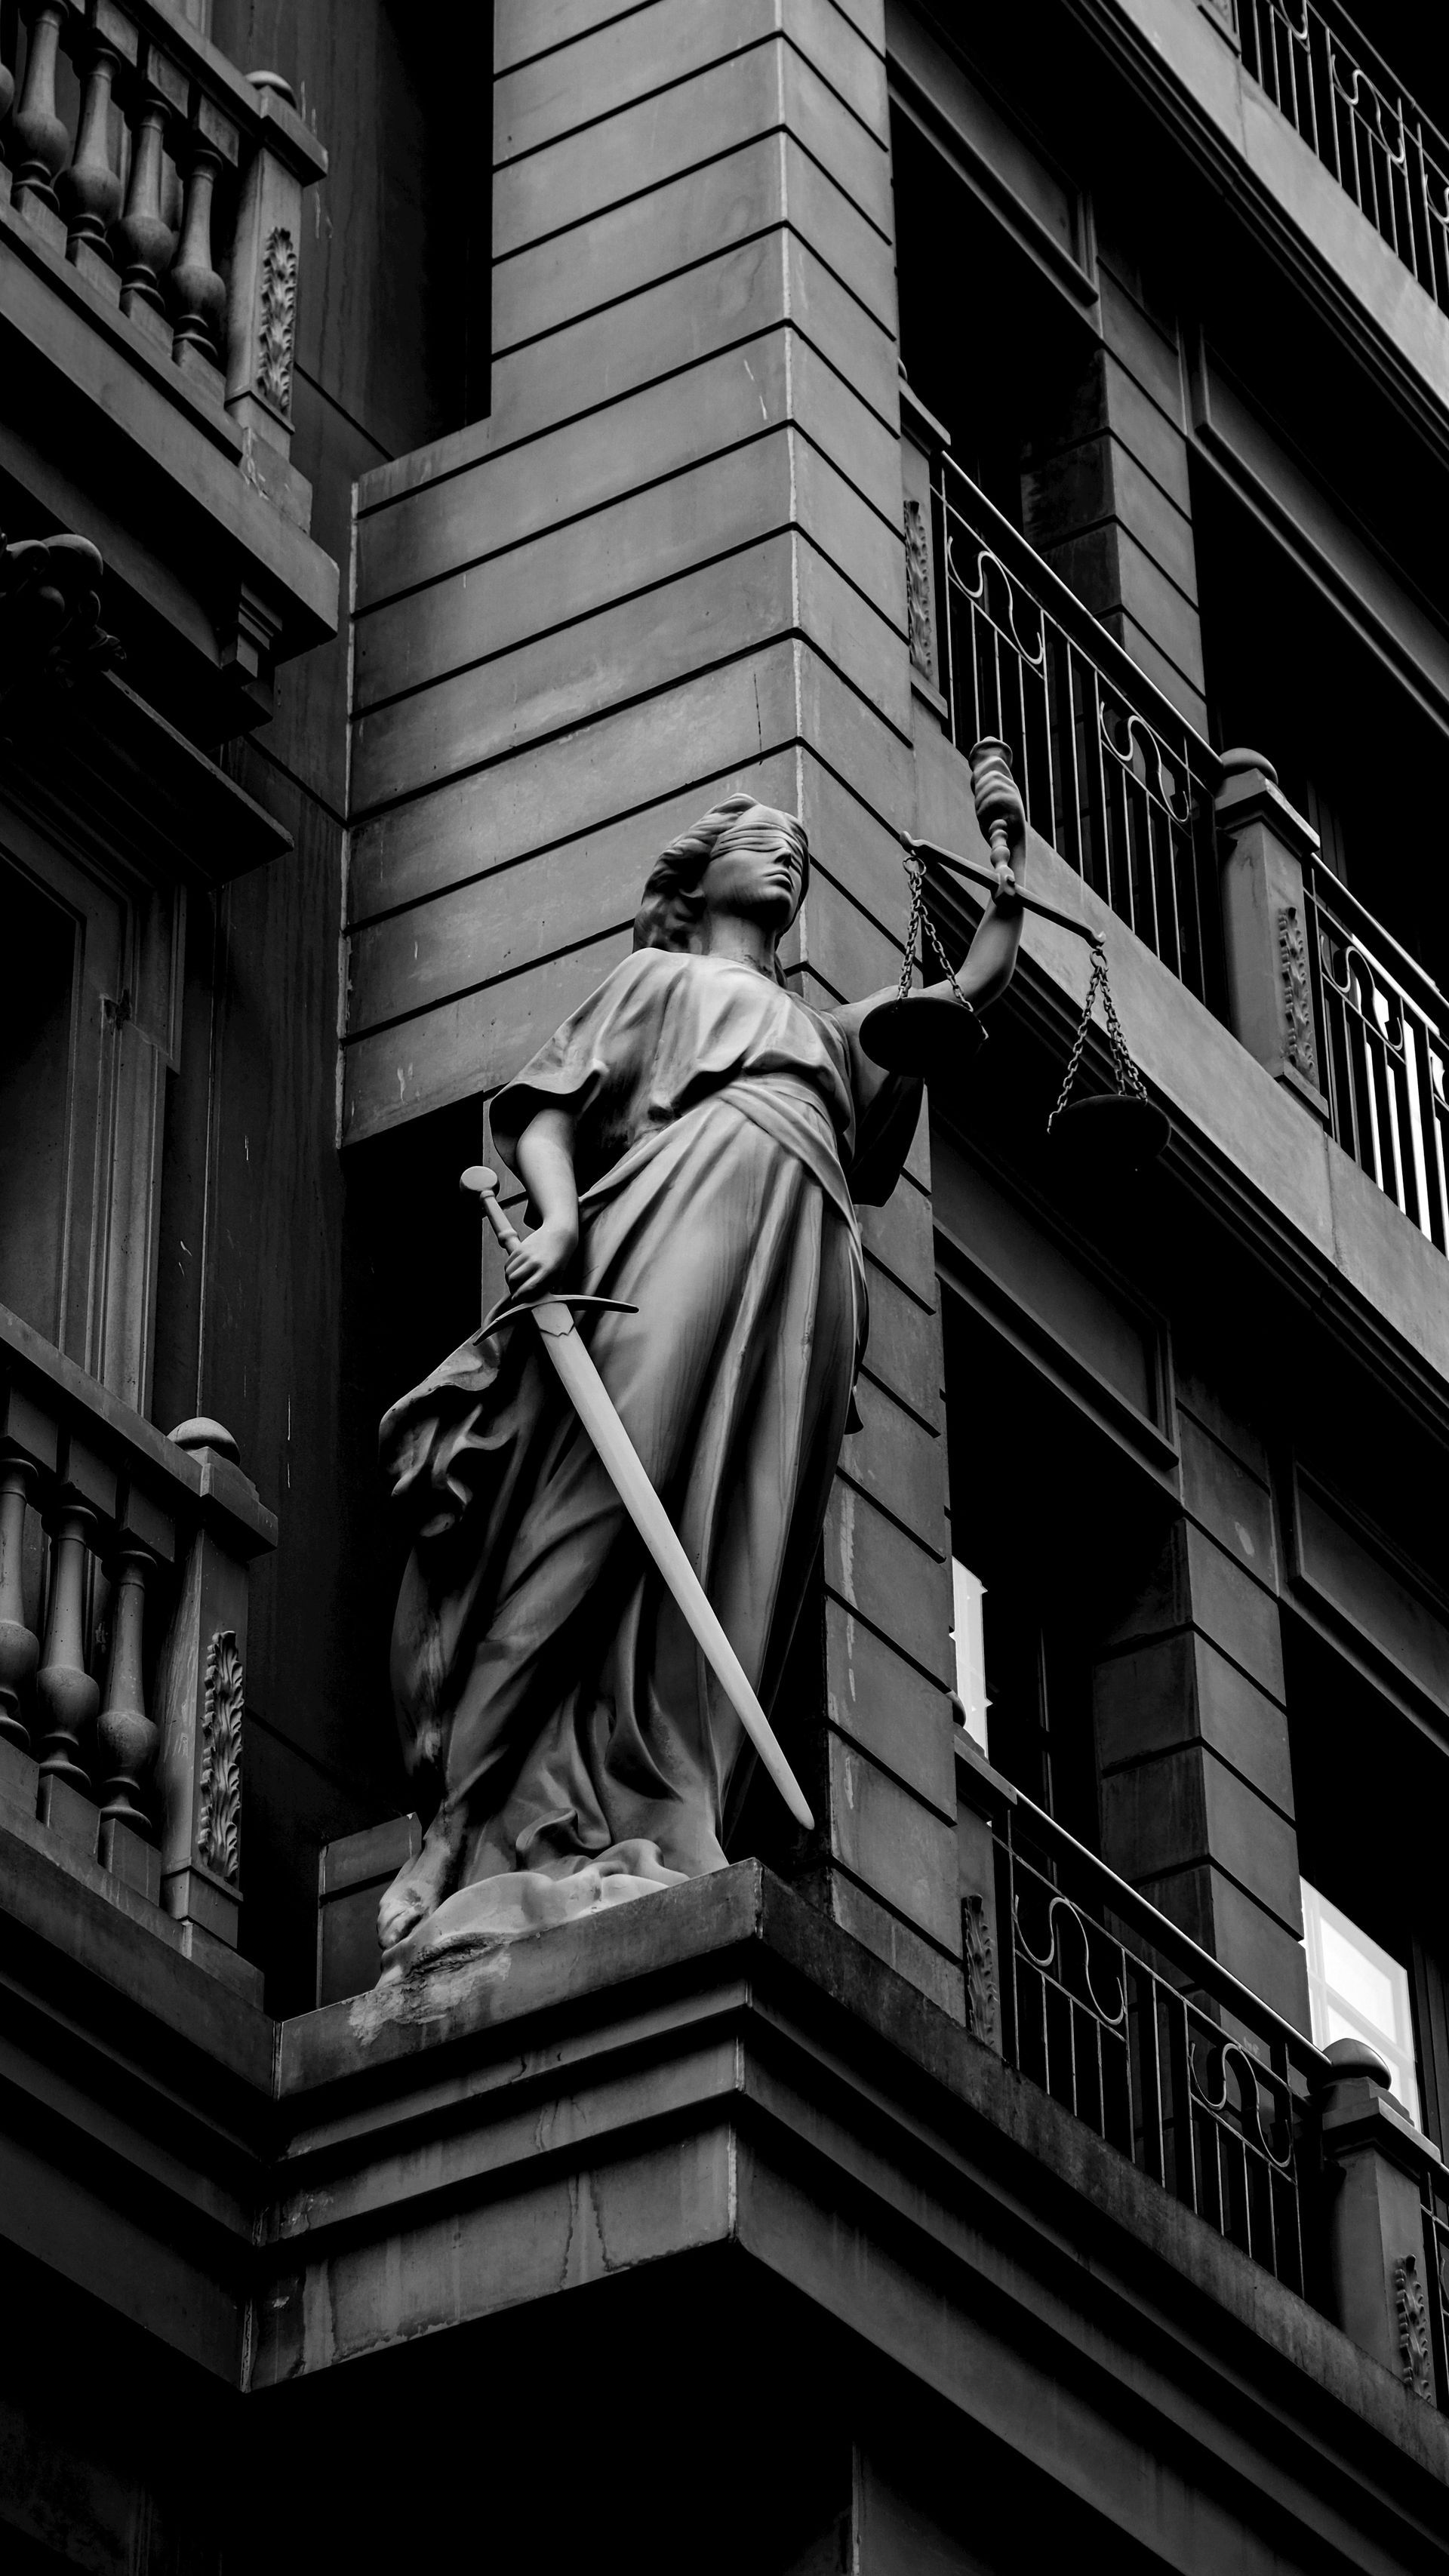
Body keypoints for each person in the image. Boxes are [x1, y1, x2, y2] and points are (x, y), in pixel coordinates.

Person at [377, 765, 1026, 1956]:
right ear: (699, 869)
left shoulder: (829, 1033)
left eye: (799, 853)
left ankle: (670, 1812)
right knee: (596, 1512)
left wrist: (1007, 885)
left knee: (739, 1548)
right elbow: (541, 1111)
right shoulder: (656, 982)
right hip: (681, 1211)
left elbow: (959, 996)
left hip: (802, 1272)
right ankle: (459, 1821)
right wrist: (563, 1221)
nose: (787, 857)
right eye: (762, 840)